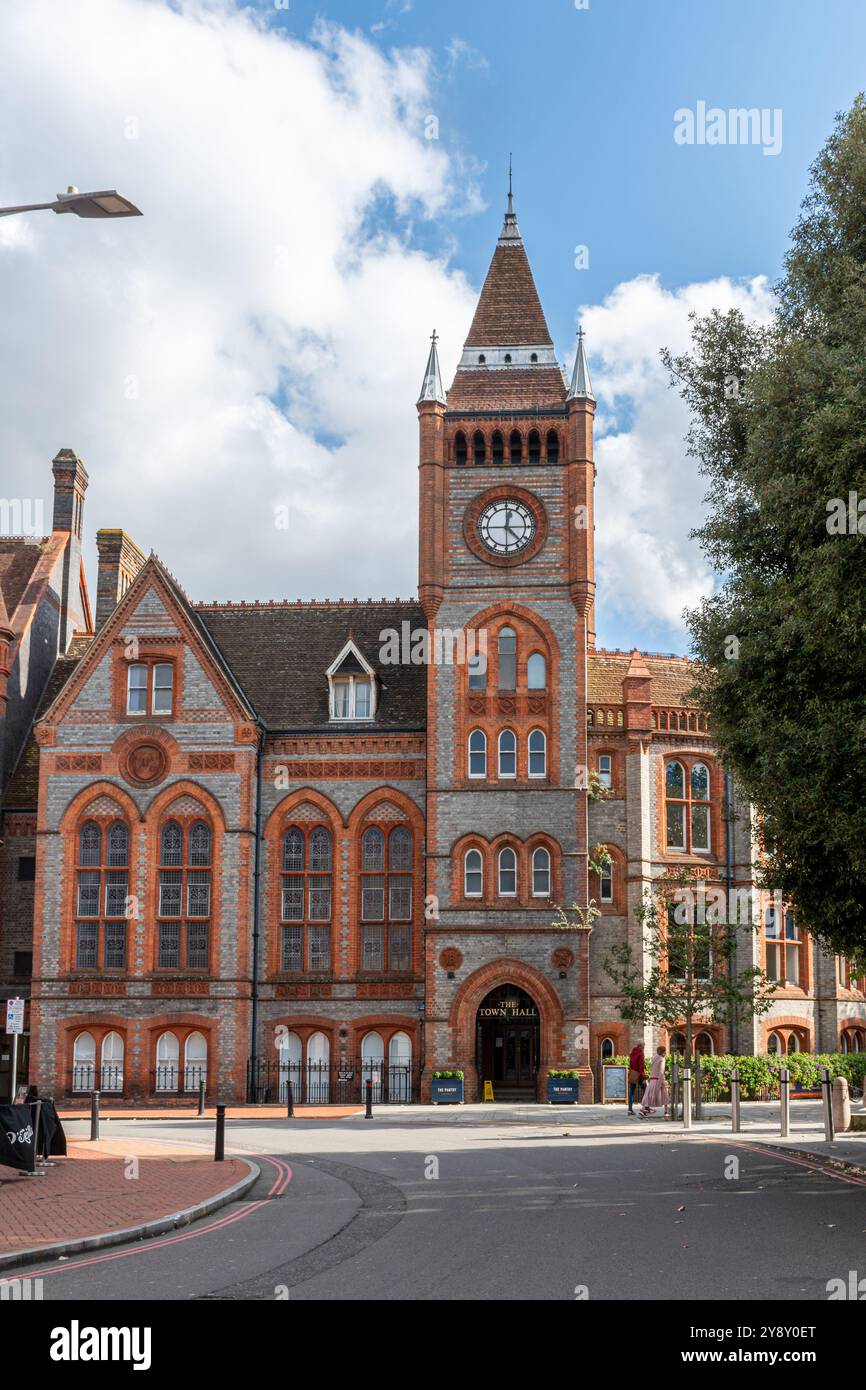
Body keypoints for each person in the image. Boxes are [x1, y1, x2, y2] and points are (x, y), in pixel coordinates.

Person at [639, 1045, 669, 1118]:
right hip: (659, 1079)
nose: (665, 1053)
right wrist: (661, 1081)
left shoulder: (654, 1058)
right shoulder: (662, 1059)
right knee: (664, 1095)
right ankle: (666, 1111)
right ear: (663, 1052)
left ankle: (643, 1110)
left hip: (652, 1080)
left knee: (649, 1095)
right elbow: (661, 1071)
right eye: (665, 1051)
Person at [627, 1042, 646, 1115]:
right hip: (639, 1074)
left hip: (633, 1074)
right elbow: (641, 1066)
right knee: (645, 1091)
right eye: (643, 1046)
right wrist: (643, 1076)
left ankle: (630, 1110)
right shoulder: (640, 1053)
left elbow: (630, 1064)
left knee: (631, 1092)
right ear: (640, 1046)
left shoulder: (632, 1053)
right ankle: (645, 1108)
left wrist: (631, 1071)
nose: (644, 1048)